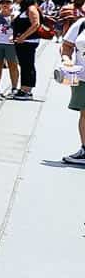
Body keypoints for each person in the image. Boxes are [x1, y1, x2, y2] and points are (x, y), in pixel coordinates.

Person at [59, 11, 85, 165]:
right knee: (84, 113)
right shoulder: (81, 23)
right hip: (82, 76)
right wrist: (66, 59)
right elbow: (67, 46)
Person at [11, 0, 43, 100]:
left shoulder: (31, 8)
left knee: (27, 65)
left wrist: (22, 37)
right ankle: (23, 88)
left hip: (28, 41)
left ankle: (27, 90)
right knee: (24, 65)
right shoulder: (24, 9)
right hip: (22, 41)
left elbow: (35, 24)